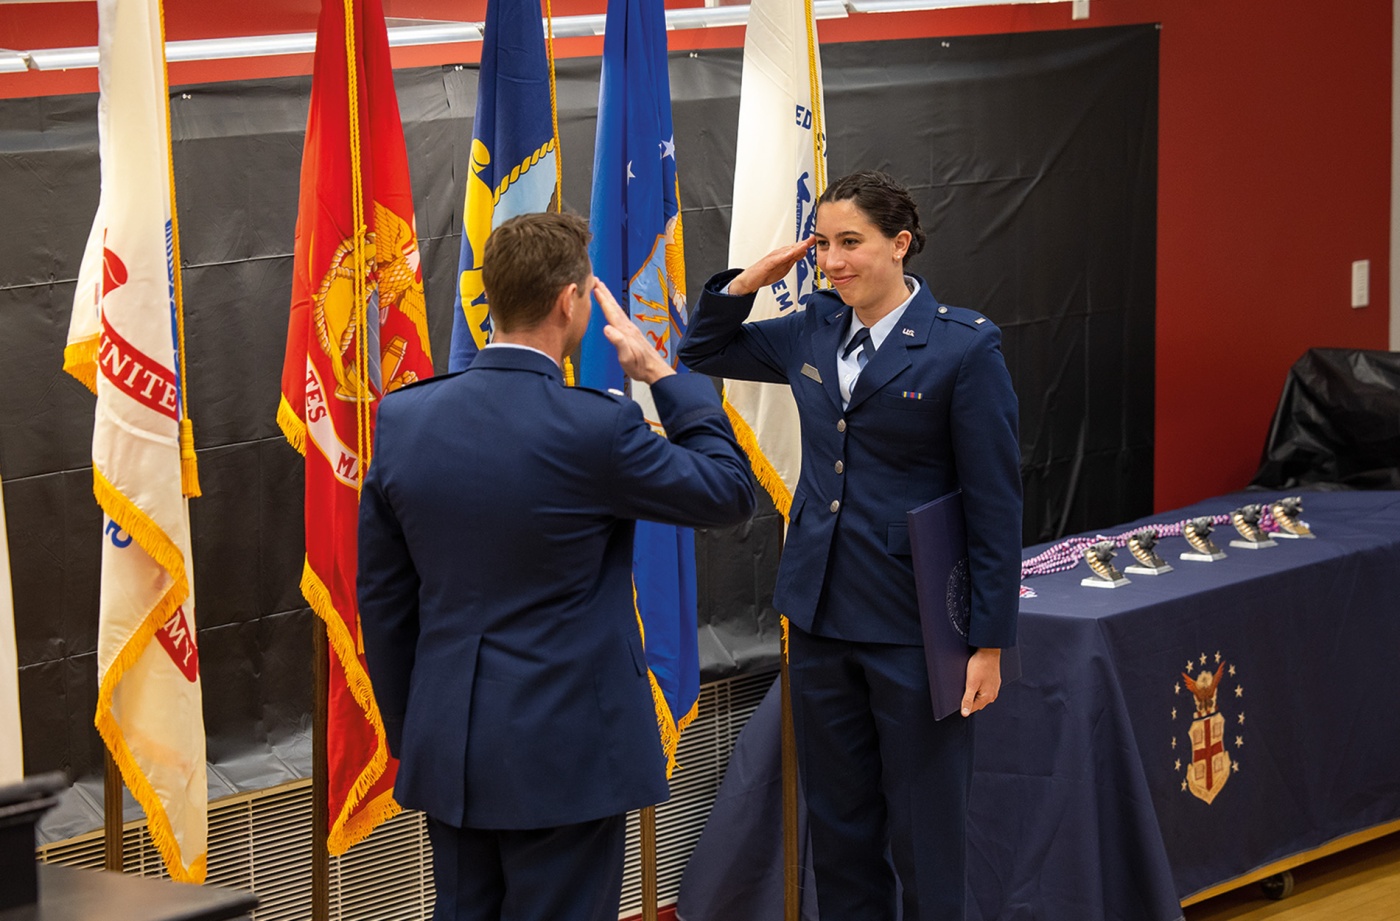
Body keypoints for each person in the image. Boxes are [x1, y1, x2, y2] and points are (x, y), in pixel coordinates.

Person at [357, 211, 756, 921]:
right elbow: (727, 492)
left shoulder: (403, 419)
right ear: (569, 300)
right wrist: (662, 373)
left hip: (451, 744)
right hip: (567, 753)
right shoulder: (594, 427)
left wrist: (417, 727)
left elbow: (384, 601)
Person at [678, 170, 1021, 920]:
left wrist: (988, 643)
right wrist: (752, 278)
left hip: (914, 625)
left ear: (900, 244)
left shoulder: (963, 348)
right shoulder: (812, 327)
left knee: (927, 835)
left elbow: (995, 507)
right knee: (839, 831)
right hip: (820, 617)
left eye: (851, 243)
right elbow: (701, 348)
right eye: (823, 243)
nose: (831, 260)